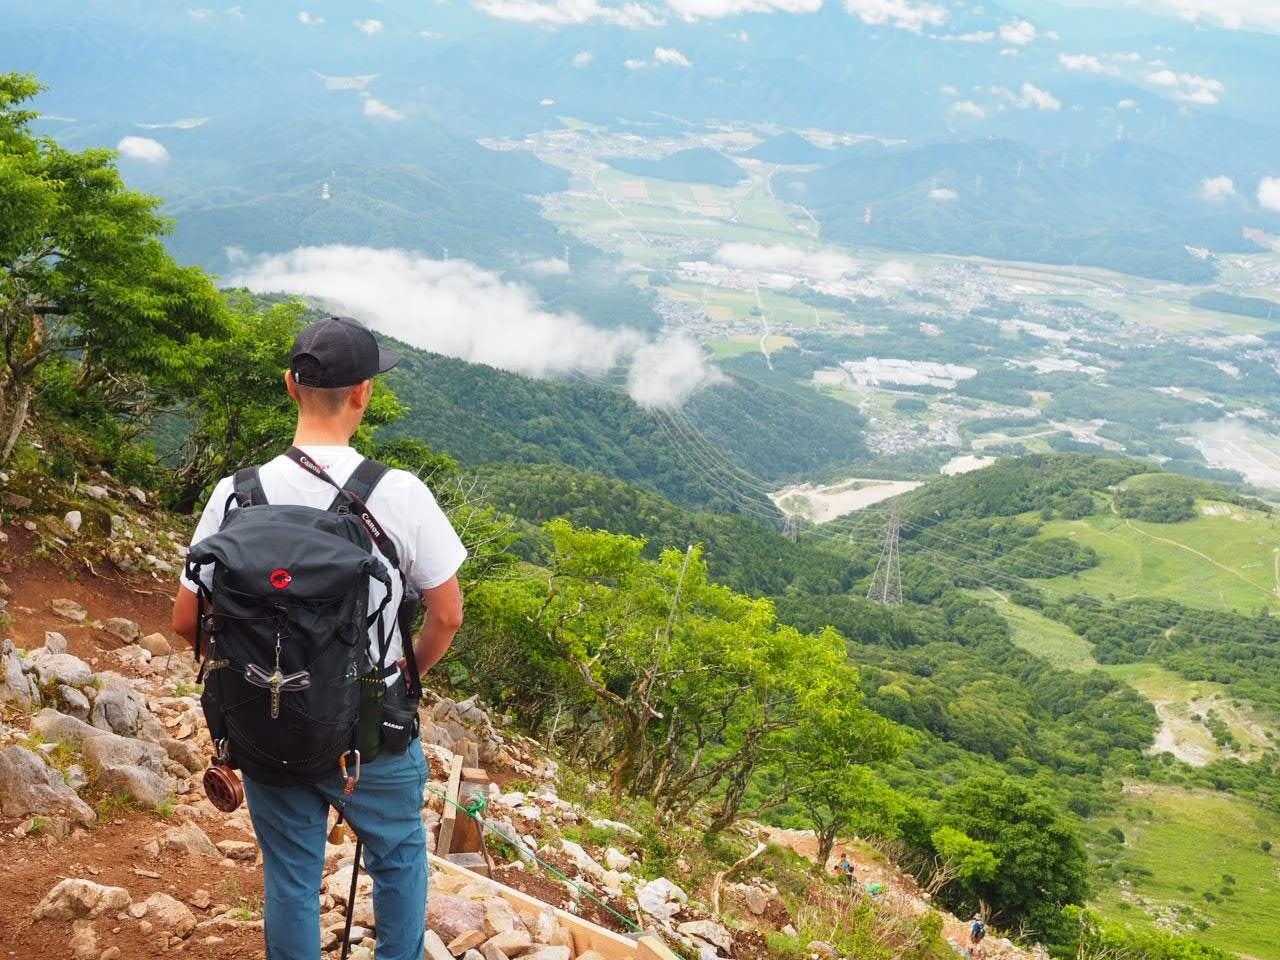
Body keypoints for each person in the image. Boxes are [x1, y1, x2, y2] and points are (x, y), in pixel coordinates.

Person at [172, 315, 467, 960]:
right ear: (363, 392)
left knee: (291, 879)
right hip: (371, 729)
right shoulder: (399, 493)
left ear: (289, 385)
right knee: (398, 858)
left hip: (266, 719)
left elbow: (186, 621)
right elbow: (446, 615)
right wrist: (403, 675)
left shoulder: (236, 494)